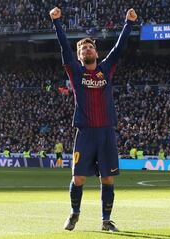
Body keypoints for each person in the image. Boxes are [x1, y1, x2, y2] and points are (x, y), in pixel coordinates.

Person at [50, 6, 137, 232]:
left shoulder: (106, 68)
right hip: (86, 133)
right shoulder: (76, 72)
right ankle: (74, 214)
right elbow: (63, 47)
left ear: (96, 53)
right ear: (79, 57)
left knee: (108, 179)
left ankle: (106, 220)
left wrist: (128, 23)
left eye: (90, 47)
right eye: (83, 49)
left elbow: (119, 48)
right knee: (78, 178)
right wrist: (57, 22)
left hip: (107, 132)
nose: (87, 49)